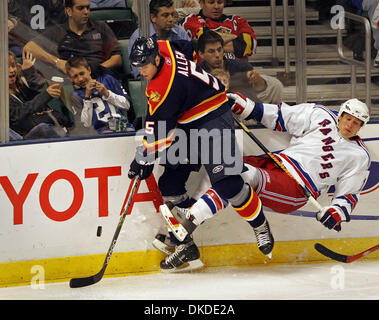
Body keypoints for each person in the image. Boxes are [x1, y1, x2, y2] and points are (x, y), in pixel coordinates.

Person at [162, 95, 371, 269]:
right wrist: (245, 106)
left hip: (296, 189)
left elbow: (349, 194)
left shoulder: (359, 155)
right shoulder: (320, 115)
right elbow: (282, 116)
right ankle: (186, 242)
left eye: (357, 123)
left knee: (237, 175)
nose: (350, 125)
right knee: (221, 170)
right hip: (275, 163)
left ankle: (190, 219)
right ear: (341, 113)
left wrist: (337, 212)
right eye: (348, 118)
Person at [128, 36, 274, 272]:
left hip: (213, 116)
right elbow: (187, 46)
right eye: (138, 65)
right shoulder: (163, 46)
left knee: (229, 185)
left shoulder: (162, 87)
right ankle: (186, 243)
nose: (141, 70)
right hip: (186, 120)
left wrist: (142, 158)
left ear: (156, 58)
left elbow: (159, 132)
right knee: (170, 185)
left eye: (145, 64)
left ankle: (260, 225)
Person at [23, 0, 122, 79]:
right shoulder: (58, 31)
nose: (86, 12)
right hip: (74, 82)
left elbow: (117, 58)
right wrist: (57, 62)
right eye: (81, 8)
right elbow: (29, 48)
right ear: (69, 11)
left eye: (87, 8)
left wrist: (96, 70)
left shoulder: (101, 27)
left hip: (101, 77)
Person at [197, 30, 283, 104]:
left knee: (275, 84)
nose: (217, 55)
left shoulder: (241, 66)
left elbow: (257, 92)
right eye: (211, 51)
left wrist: (258, 81)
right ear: (201, 54)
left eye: (219, 50)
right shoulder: (197, 72)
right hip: (213, 110)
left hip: (243, 107)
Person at [9, 50, 71, 139]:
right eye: (6, 67)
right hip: (24, 137)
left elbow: (42, 94)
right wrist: (46, 95)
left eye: (13, 65)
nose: (12, 70)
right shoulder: (3, 95)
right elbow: (17, 115)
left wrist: (29, 72)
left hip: (47, 124)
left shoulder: (21, 83)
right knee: (44, 129)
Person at [66, 56, 134, 134]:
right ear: (70, 78)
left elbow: (126, 105)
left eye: (82, 73)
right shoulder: (76, 95)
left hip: (123, 127)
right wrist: (87, 98)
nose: (80, 79)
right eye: (75, 76)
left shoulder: (107, 79)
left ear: (89, 70)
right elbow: (85, 124)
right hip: (99, 133)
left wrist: (107, 94)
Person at [128, 0, 192, 79]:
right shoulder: (139, 37)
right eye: (165, 15)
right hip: (151, 83)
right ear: (153, 17)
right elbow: (141, 74)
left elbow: (191, 64)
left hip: (179, 80)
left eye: (172, 15)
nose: (171, 19)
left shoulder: (180, 33)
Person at [182, 0, 257, 61]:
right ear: (201, 3)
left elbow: (250, 45)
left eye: (220, 2)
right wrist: (235, 37)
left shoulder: (238, 21)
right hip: (208, 72)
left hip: (239, 72)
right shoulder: (191, 20)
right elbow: (206, 40)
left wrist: (211, 48)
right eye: (211, 2)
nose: (216, 6)